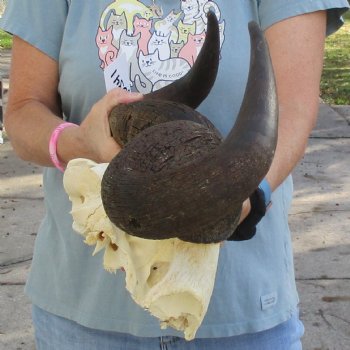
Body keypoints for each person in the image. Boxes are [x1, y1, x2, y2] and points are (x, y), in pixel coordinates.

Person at [1, 1, 349, 349]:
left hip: (240, 316)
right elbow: (22, 112)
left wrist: (244, 198)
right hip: (83, 317)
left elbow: (291, 111)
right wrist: (79, 143)